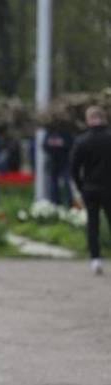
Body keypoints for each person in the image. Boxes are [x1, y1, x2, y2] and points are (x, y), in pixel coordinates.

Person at [71, 105, 111, 275]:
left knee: (92, 224)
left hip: (90, 188)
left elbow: (74, 168)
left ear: (88, 120)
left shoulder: (82, 140)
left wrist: (81, 186)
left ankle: (95, 260)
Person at [43, 124, 74, 207]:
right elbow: (44, 146)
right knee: (53, 185)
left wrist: (61, 143)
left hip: (64, 162)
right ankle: (55, 203)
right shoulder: (49, 133)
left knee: (66, 183)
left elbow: (70, 144)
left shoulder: (66, 132)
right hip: (53, 163)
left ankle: (70, 203)